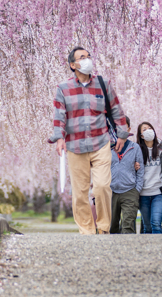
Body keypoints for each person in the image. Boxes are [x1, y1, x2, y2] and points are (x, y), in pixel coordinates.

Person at [48, 47, 130, 235]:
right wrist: (59, 138)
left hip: (100, 143)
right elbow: (59, 116)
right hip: (75, 146)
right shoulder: (64, 88)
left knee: (102, 186)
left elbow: (117, 110)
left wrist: (122, 134)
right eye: (82, 57)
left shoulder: (103, 84)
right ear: (73, 65)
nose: (87, 60)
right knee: (80, 192)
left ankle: (103, 227)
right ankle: (87, 230)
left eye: (88, 56)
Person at [110, 132, 143, 233]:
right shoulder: (107, 147)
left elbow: (141, 170)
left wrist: (137, 189)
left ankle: (128, 248)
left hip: (130, 191)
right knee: (111, 226)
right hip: (111, 191)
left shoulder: (135, 147)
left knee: (127, 226)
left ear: (128, 129)